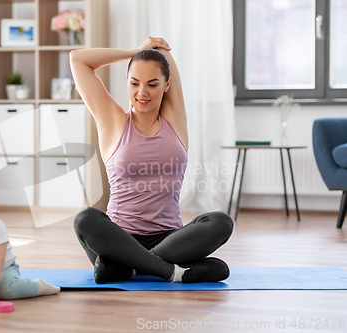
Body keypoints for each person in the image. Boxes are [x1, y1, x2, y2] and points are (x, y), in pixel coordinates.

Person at [70, 37, 234, 284]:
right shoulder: (113, 121)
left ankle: (132, 269)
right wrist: (134, 52)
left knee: (221, 222)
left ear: (167, 85)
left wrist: (153, 49)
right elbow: (78, 60)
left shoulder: (174, 121)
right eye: (134, 83)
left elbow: (165, 55)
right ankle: (171, 272)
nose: (142, 92)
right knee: (85, 219)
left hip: (170, 240)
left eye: (152, 84)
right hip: (118, 240)